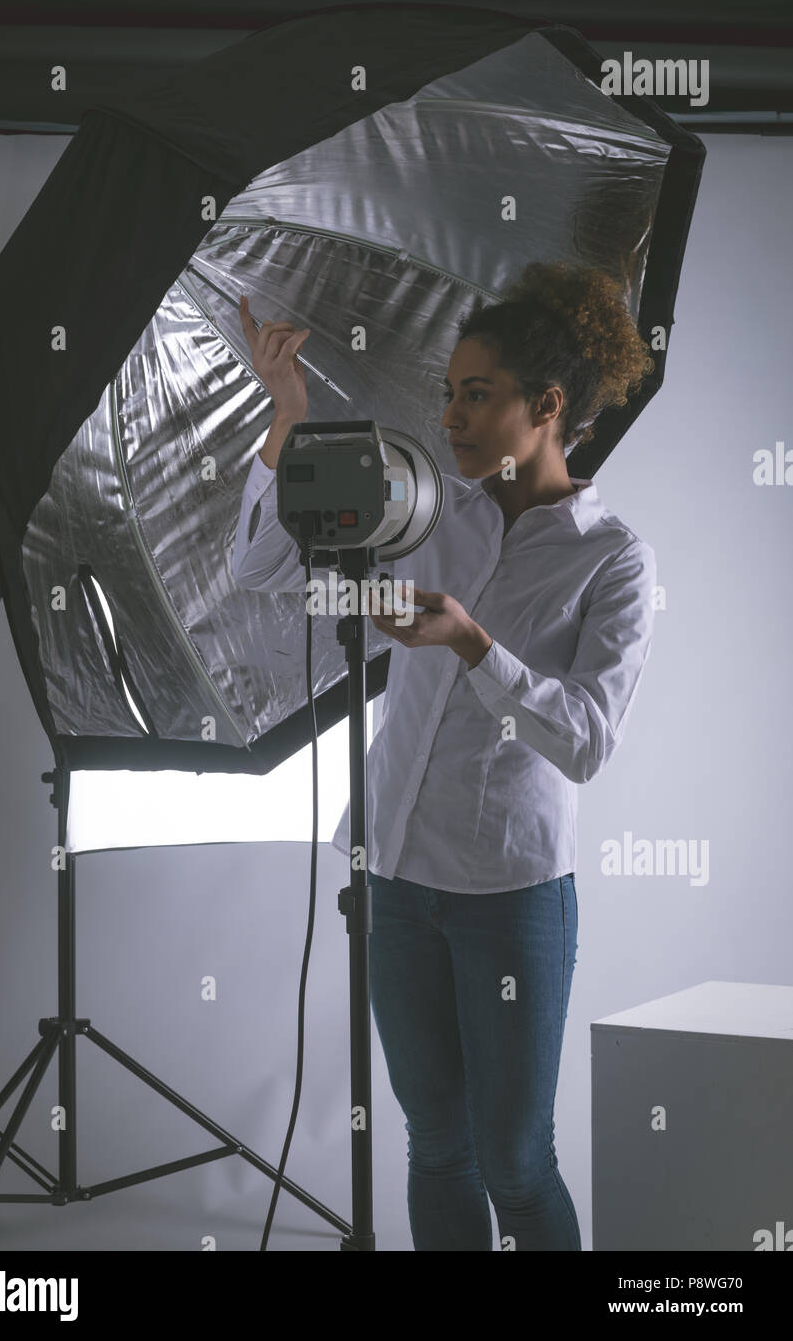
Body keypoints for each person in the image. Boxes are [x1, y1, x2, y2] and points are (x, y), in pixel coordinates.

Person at [231, 264, 657, 1251]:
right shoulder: (425, 511)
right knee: (435, 1146)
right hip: (391, 881)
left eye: (477, 394)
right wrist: (287, 412)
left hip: (508, 895)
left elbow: (586, 740)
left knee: (514, 1160)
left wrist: (473, 643)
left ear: (545, 408)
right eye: (449, 393)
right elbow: (259, 565)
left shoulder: (611, 557)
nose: (452, 415)